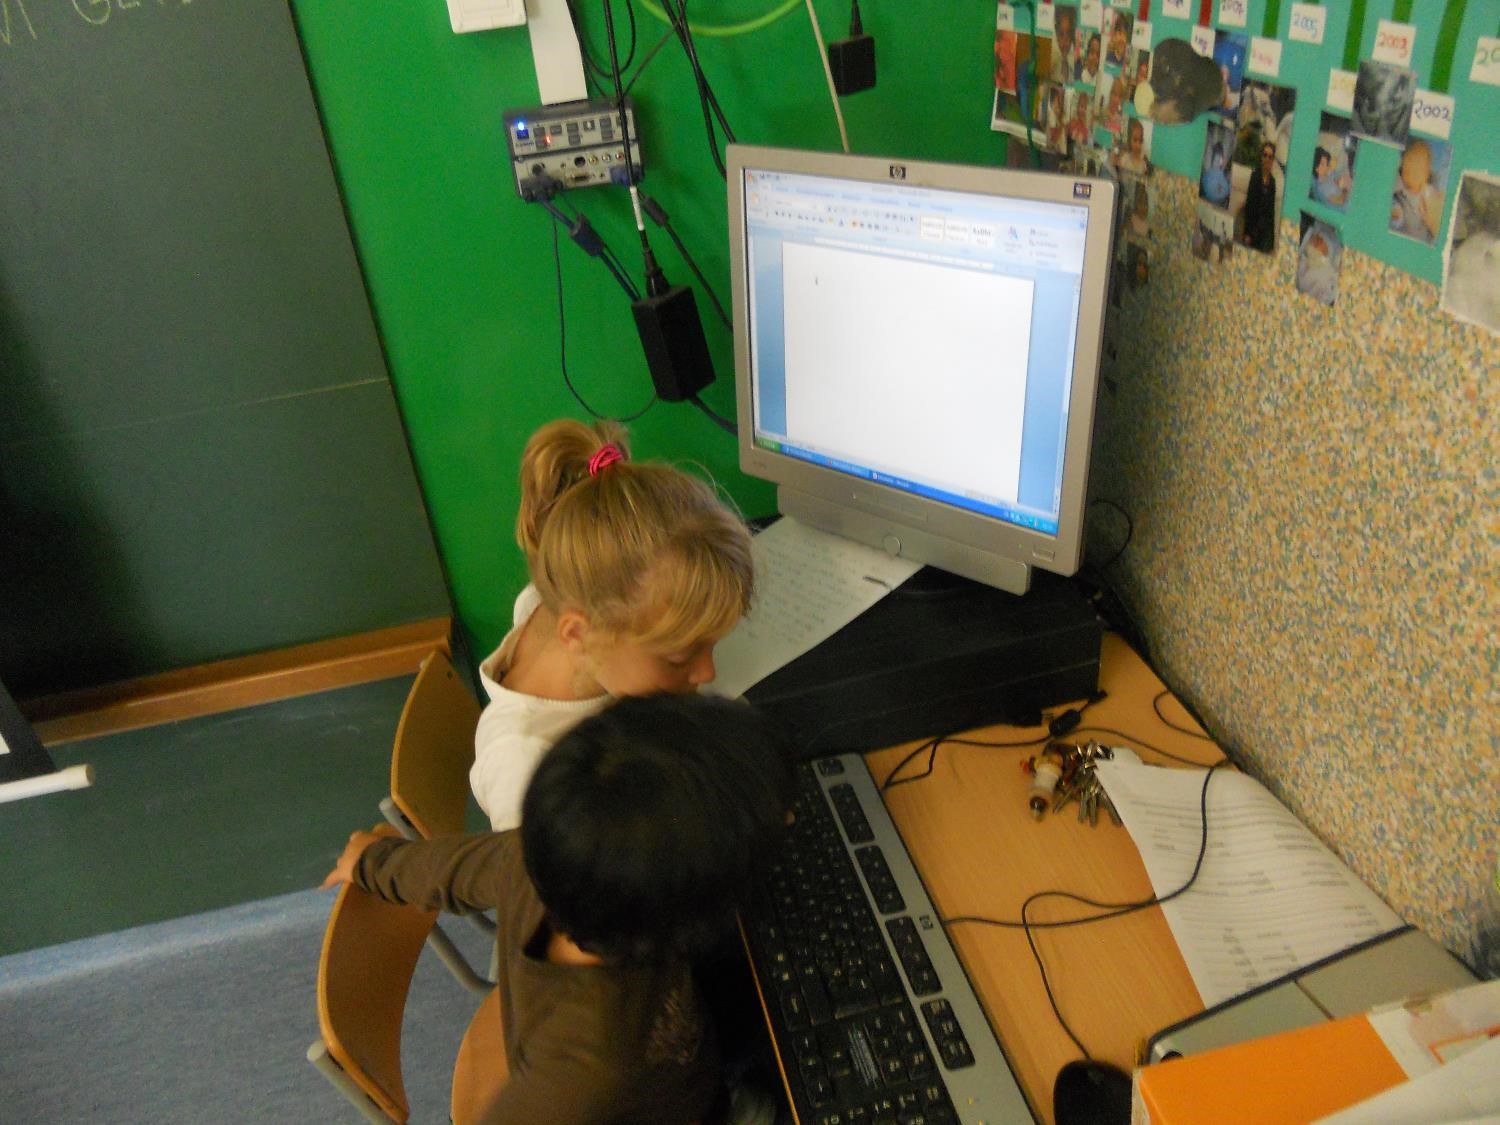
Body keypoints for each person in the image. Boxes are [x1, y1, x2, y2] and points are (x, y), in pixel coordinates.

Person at [324, 692, 795, 1125]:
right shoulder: (583, 1067)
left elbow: (444, 870)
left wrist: (371, 862)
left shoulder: (555, 855)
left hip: (683, 1068)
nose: (790, 819)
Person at [470, 418, 754, 831]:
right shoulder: (526, 767)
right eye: (679, 657)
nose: (708, 672)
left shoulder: (561, 595)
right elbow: (549, 873)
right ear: (578, 635)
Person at [1390, 139, 1443, 244]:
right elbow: (1395, 212)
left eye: (1419, 170)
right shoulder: (1400, 195)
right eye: (1407, 170)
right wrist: (1396, 214)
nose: (1410, 175)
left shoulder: (1430, 191)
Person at [1241, 141, 1278, 252]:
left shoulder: (1273, 182)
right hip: (1252, 232)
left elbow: (1271, 212)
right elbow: (1249, 206)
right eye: (1265, 155)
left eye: (1270, 156)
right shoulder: (1255, 176)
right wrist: (1247, 233)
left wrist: (1271, 241)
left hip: (1265, 235)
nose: (1267, 159)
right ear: (1261, 157)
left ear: (1273, 160)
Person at [1049, 6, 1079, 83]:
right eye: (1061, 34)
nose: (1065, 43)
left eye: (1069, 34)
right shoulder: (1050, 65)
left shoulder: (1076, 65)